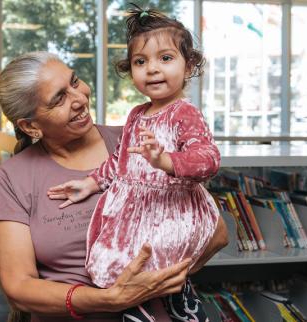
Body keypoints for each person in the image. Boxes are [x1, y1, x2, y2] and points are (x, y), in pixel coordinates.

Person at [0, 51, 228, 322]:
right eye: (59, 98)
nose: (79, 99)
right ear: (30, 126)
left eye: (75, 82)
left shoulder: (138, 141)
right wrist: (111, 299)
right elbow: (18, 287)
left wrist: (158, 281)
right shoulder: (13, 177)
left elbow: (216, 232)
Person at [47, 5, 222, 322]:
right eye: (141, 62)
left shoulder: (185, 113)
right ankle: (143, 308)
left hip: (172, 207)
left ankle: (178, 306)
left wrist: (166, 160)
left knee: (156, 263)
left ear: (189, 64)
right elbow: (120, 161)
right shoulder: (136, 115)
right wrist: (90, 183)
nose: (152, 70)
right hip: (136, 206)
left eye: (165, 59)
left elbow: (208, 159)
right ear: (131, 70)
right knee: (115, 261)